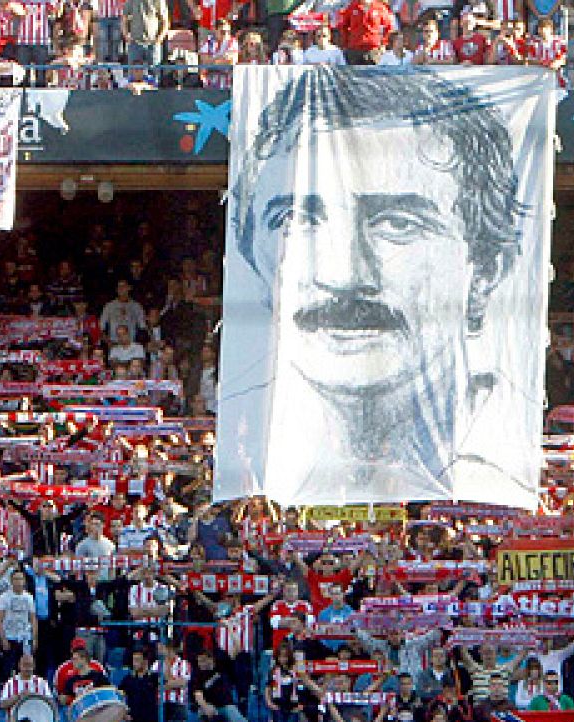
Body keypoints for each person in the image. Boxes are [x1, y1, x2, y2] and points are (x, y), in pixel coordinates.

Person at [223, 68, 538, 507]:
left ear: (485, 270)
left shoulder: (509, 449)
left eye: (397, 224)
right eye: (298, 219)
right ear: (252, 256)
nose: (343, 275)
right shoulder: (235, 439)